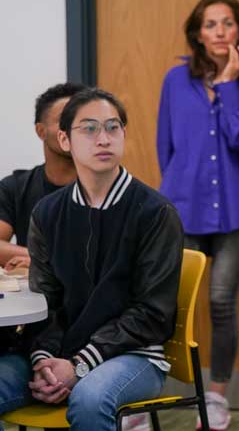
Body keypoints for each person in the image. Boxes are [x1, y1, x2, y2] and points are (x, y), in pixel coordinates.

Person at [0, 88, 183, 431]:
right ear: (64, 140)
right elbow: (47, 302)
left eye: (113, 127)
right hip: (58, 351)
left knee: (90, 398)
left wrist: (80, 364)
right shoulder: (48, 213)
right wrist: (43, 359)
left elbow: (152, 314)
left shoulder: (156, 213)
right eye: (89, 128)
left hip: (134, 353)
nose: (103, 138)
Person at [157, 0, 239, 430]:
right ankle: (147, 394)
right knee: (168, 306)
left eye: (228, 23)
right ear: (197, 33)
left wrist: (226, 83)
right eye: (211, 24)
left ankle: (217, 397)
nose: (221, 31)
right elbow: (165, 145)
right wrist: (175, 194)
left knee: (222, 301)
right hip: (184, 210)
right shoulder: (174, 80)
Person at [0, 83, 85, 271]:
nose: (74, 129)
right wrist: (40, 259)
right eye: (65, 120)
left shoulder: (108, 187)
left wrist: (43, 262)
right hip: (34, 297)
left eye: (83, 122)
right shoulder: (15, 187)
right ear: (41, 131)